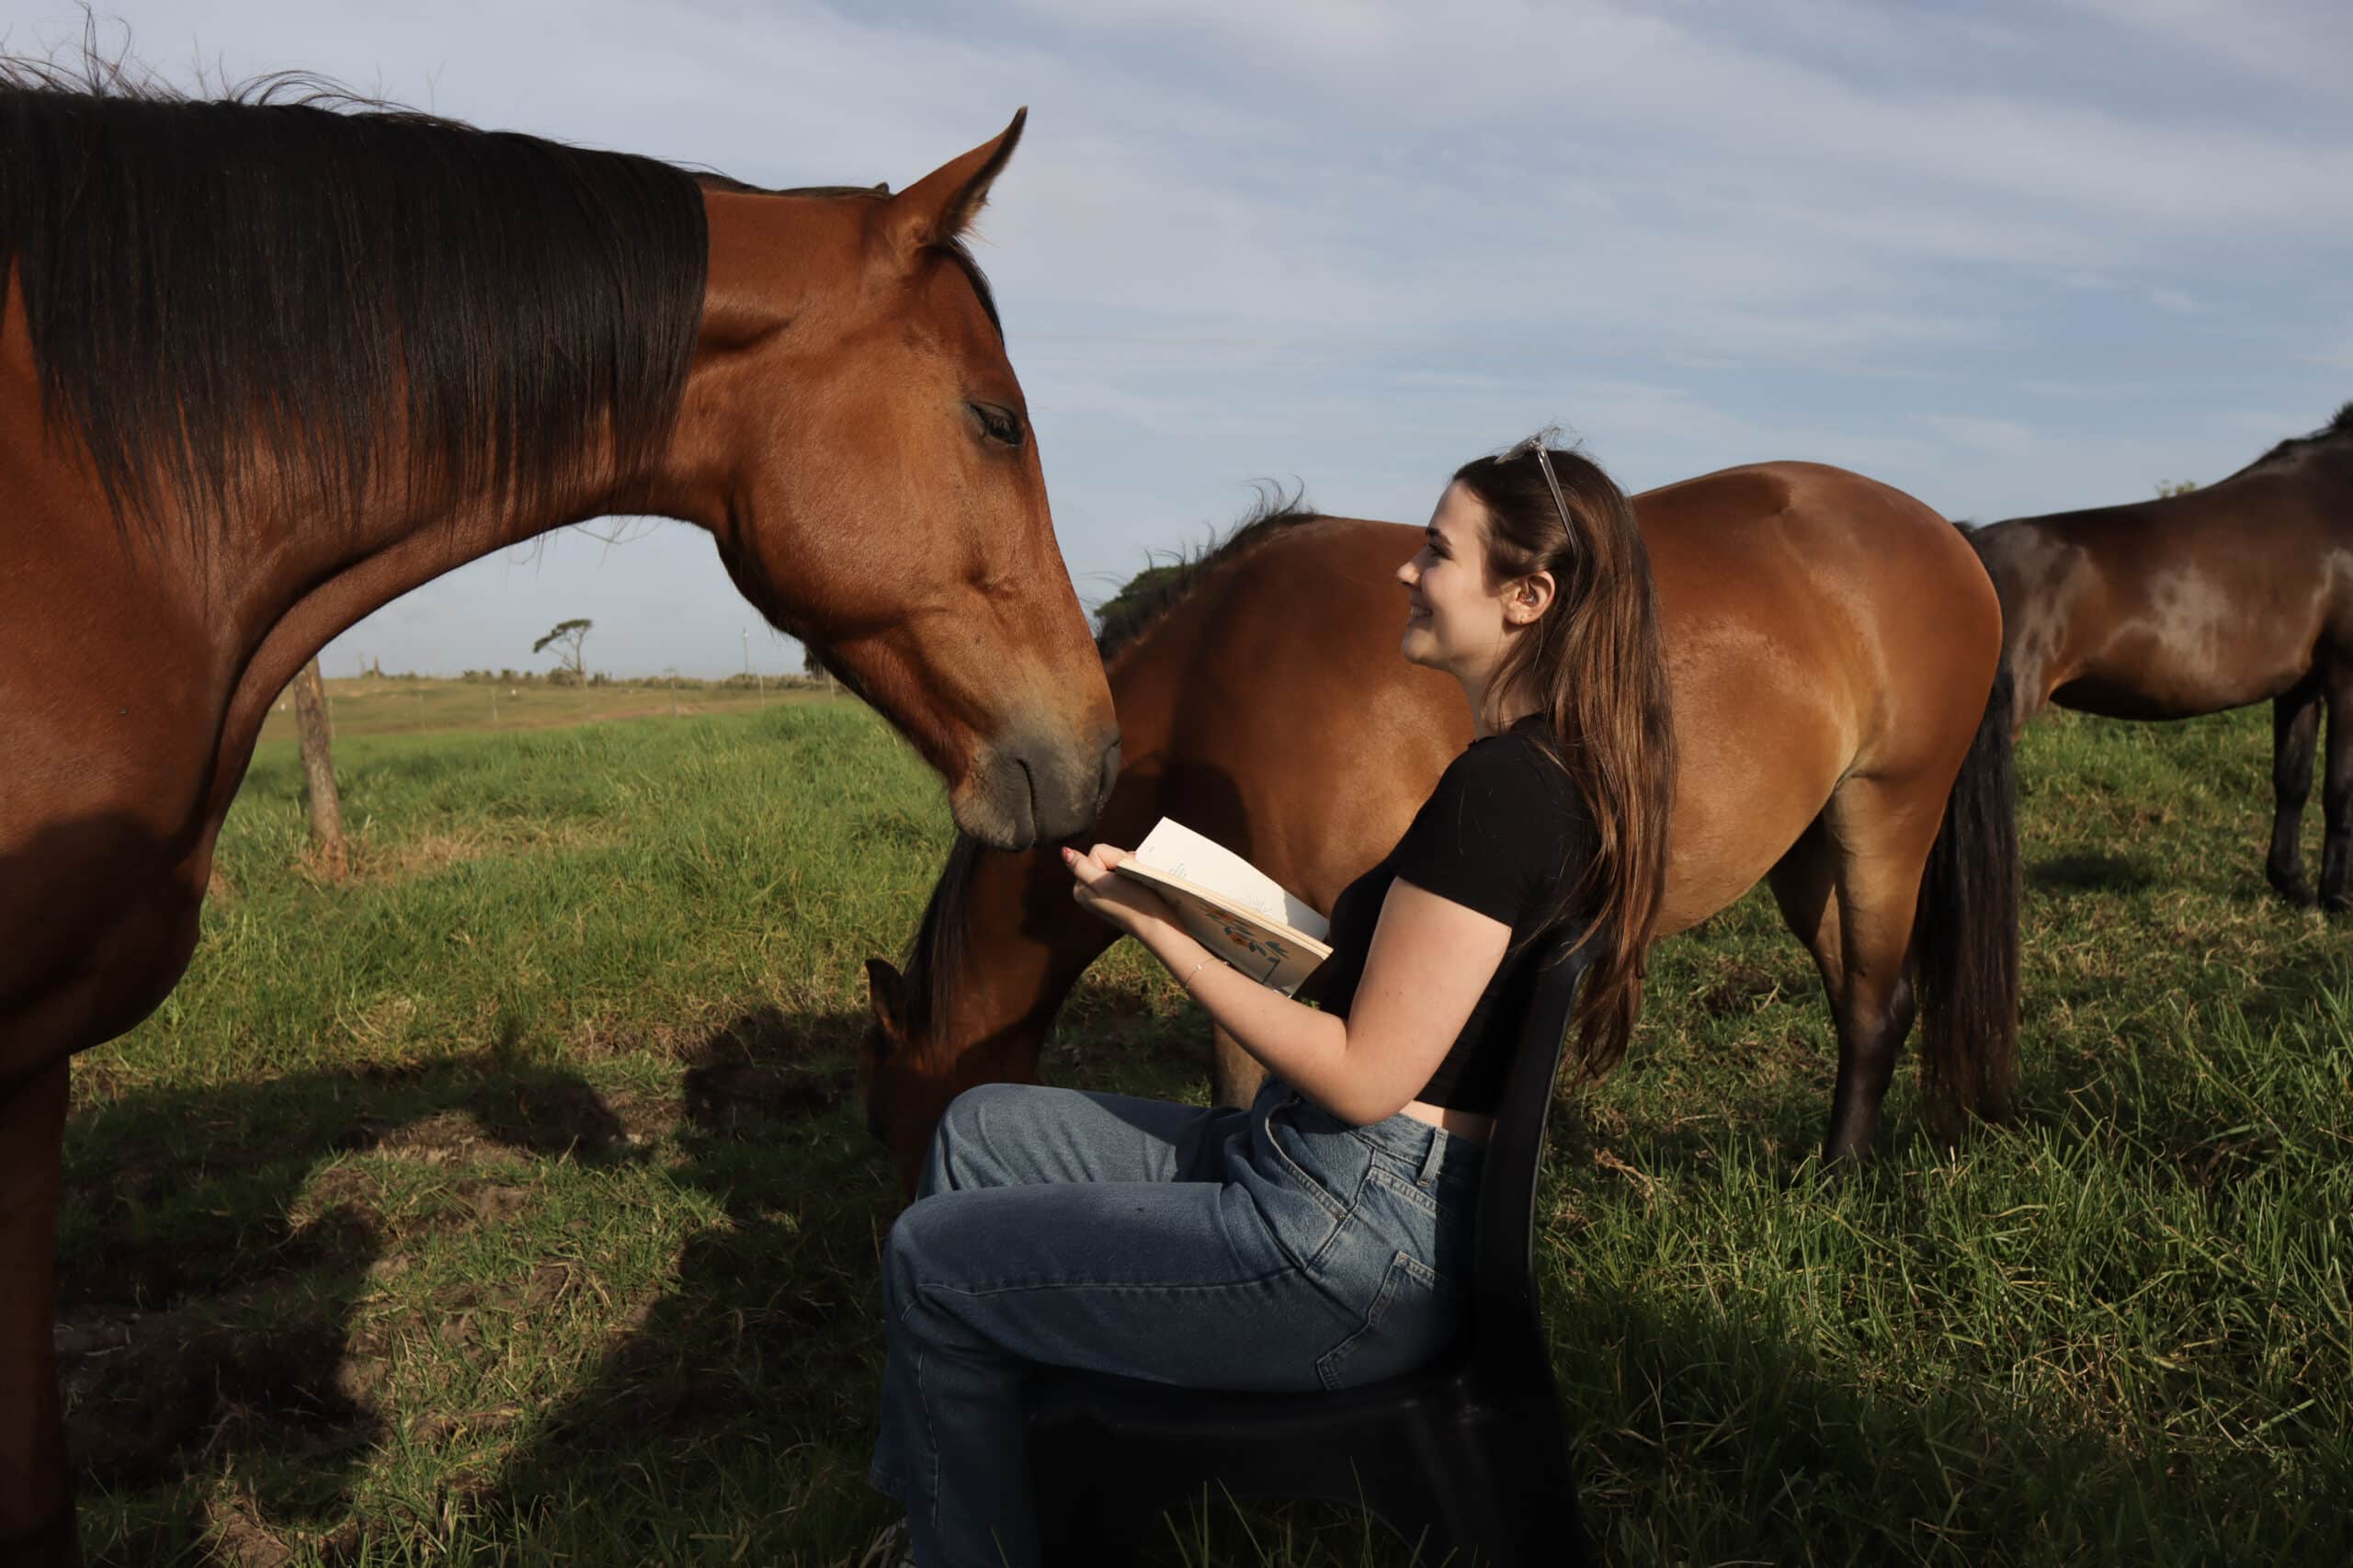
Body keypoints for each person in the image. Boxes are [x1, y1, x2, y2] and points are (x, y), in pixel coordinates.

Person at [865, 433, 1677, 1568]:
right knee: (978, 1128)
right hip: (1332, 1180)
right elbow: (1390, 985)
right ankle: (980, 1497)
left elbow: (1363, 1070)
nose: (1406, 570)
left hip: (1340, 1244)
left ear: (1526, 597)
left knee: (930, 1257)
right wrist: (1203, 907)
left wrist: (1157, 935)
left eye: (1437, 552)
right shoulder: (1539, 776)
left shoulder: (1499, 798)